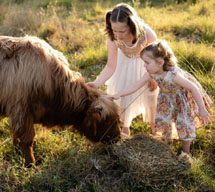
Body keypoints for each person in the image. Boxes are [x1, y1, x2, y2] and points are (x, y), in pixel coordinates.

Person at [111, 39, 212, 155]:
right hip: (166, 101)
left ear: (160, 62)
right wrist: (119, 94)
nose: (144, 66)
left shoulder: (173, 75)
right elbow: (136, 85)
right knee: (164, 121)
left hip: (180, 101)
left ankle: (186, 152)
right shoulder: (152, 73)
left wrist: (202, 108)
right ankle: (167, 145)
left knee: (183, 124)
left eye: (147, 63)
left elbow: (193, 88)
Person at [87, 3, 158, 138]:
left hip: (147, 68)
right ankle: (125, 127)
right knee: (122, 95)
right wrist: (97, 82)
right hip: (124, 66)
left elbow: (157, 61)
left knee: (151, 97)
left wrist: (153, 78)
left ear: (132, 26)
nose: (118, 35)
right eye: (115, 30)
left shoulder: (147, 35)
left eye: (122, 31)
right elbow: (110, 66)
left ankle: (154, 126)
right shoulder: (113, 38)